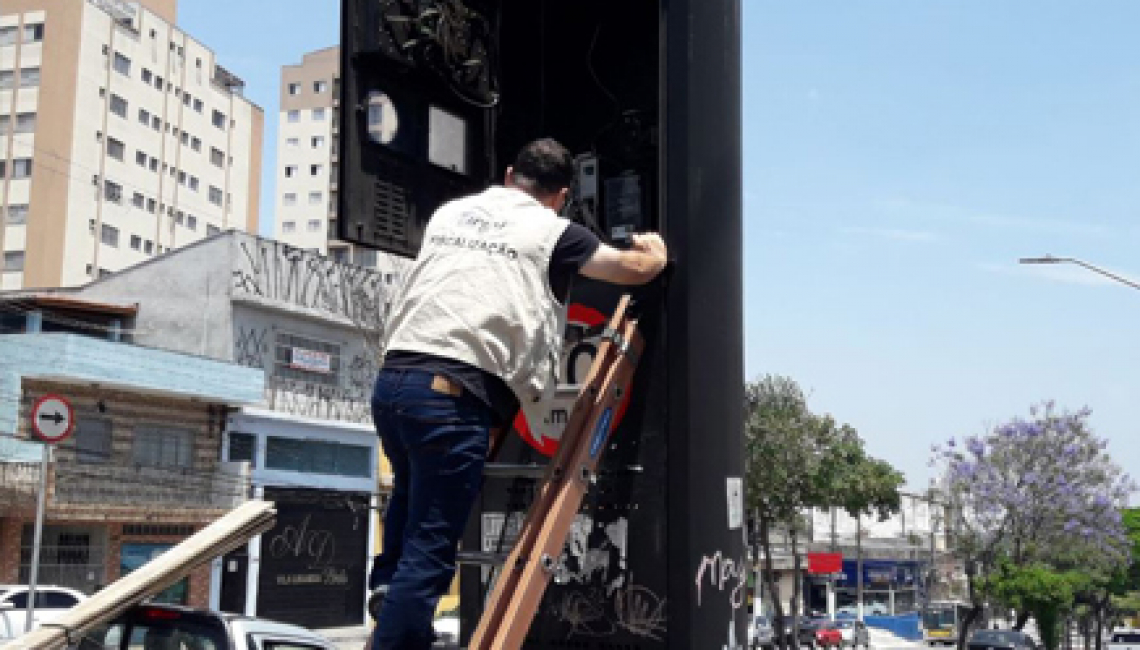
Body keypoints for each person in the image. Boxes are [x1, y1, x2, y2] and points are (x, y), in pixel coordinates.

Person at [367, 137, 669, 649]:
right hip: (454, 394)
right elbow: (630, 271)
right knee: (431, 553)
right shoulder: (554, 232)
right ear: (561, 195)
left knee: (409, 504)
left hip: (395, 382)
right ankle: (397, 625)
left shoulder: (452, 213)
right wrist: (654, 251)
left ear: (510, 175)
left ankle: (386, 595)